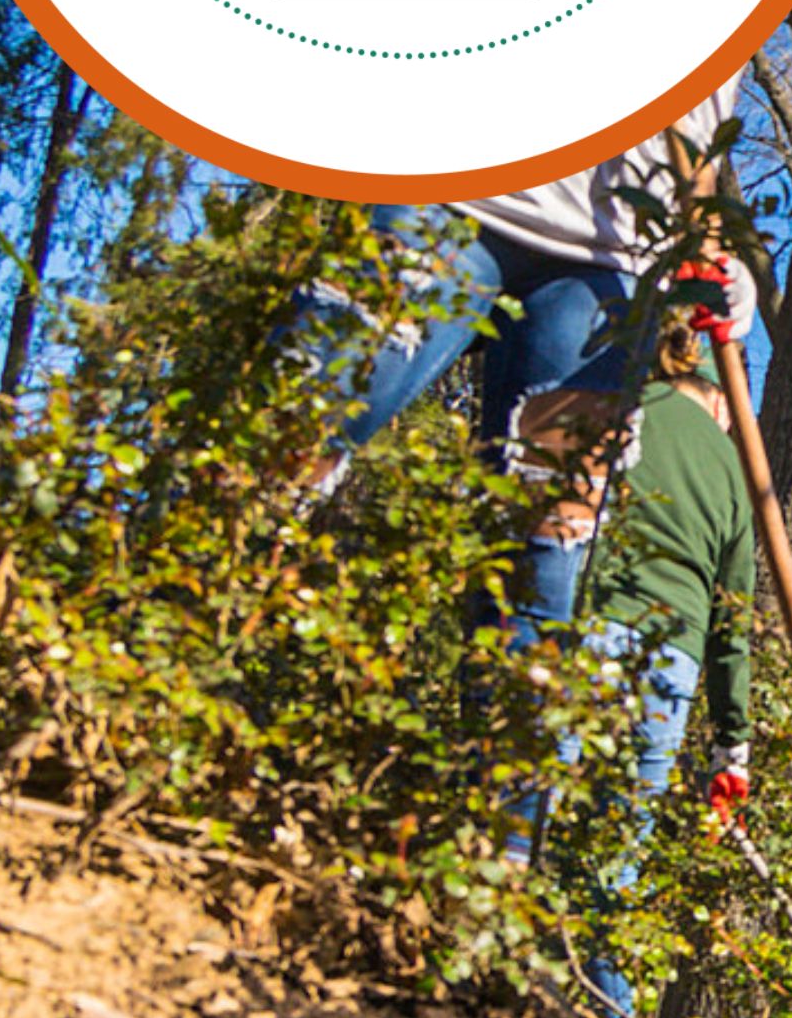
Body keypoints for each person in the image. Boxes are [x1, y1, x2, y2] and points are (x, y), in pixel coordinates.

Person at [300, 83, 748, 636]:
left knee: (543, 566)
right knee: (291, 434)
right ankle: (168, 648)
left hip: (610, 261)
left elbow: (698, 127)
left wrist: (704, 248)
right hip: (463, 187)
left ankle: (510, 719)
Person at [533, 277, 758, 1018]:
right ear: (716, 397)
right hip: (675, 665)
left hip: (593, 627)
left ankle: (504, 986)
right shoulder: (734, 467)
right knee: (612, 855)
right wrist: (734, 743)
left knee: (539, 815)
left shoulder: (617, 401)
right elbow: (735, 619)